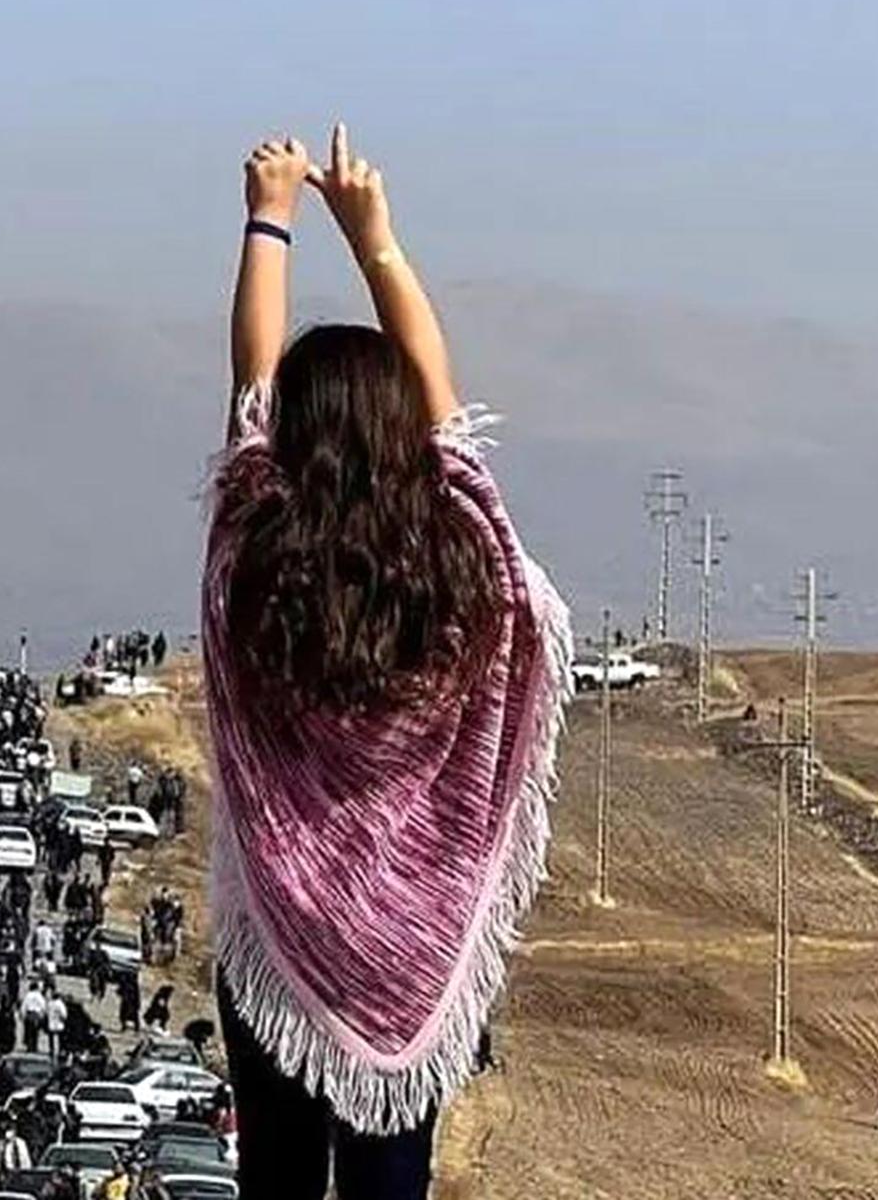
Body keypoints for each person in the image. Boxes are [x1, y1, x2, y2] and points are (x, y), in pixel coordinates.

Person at [203, 126, 566, 1199]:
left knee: (272, 1171)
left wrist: (267, 217)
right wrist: (376, 241)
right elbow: (450, 418)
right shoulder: (468, 563)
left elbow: (248, 389)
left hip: (275, 929)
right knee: (390, 1175)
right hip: (414, 949)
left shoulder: (253, 553)